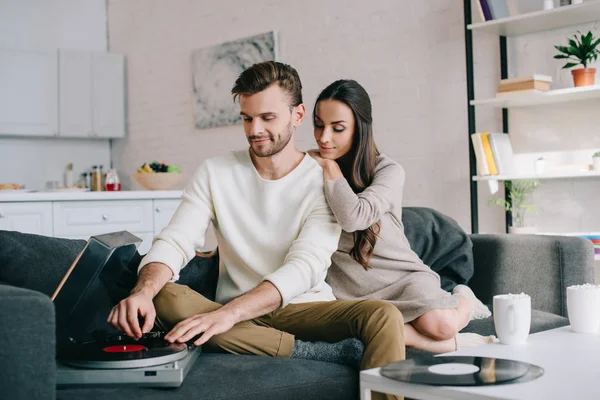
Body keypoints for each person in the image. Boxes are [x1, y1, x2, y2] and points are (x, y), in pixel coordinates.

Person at [108, 61, 404, 400]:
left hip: (299, 307)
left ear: (297, 115)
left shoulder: (323, 179)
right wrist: (142, 292)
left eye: (268, 118)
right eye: (247, 118)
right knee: (161, 294)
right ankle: (315, 353)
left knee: (383, 315)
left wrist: (228, 316)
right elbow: (176, 240)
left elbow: (305, 266)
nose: (255, 129)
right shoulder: (215, 172)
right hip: (232, 309)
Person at [309, 79, 494, 353]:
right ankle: (452, 345)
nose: (324, 137)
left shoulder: (388, 170)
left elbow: (354, 217)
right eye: (318, 124)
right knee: (362, 327)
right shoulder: (307, 170)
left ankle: (464, 299)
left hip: (401, 277)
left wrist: (329, 168)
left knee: (441, 325)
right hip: (349, 288)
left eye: (337, 128)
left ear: (360, 130)